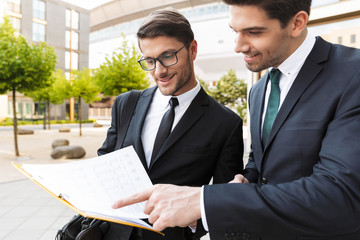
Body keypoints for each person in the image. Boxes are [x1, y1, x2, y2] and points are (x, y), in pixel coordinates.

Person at [112, 0, 360, 239]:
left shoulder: (352, 74)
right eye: (235, 31)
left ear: (297, 23)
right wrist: (243, 182)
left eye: (253, 31)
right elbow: (261, 162)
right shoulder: (259, 89)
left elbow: (341, 195)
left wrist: (204, 201)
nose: (238, 46)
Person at [98, 7, 244, 240]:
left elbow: (221, 202)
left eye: (167, 56)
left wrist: (196, 224)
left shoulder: (226, 123)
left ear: (192, 49)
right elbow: (105, 164)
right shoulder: (126, 103)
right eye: (149, 60)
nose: (159, 71)